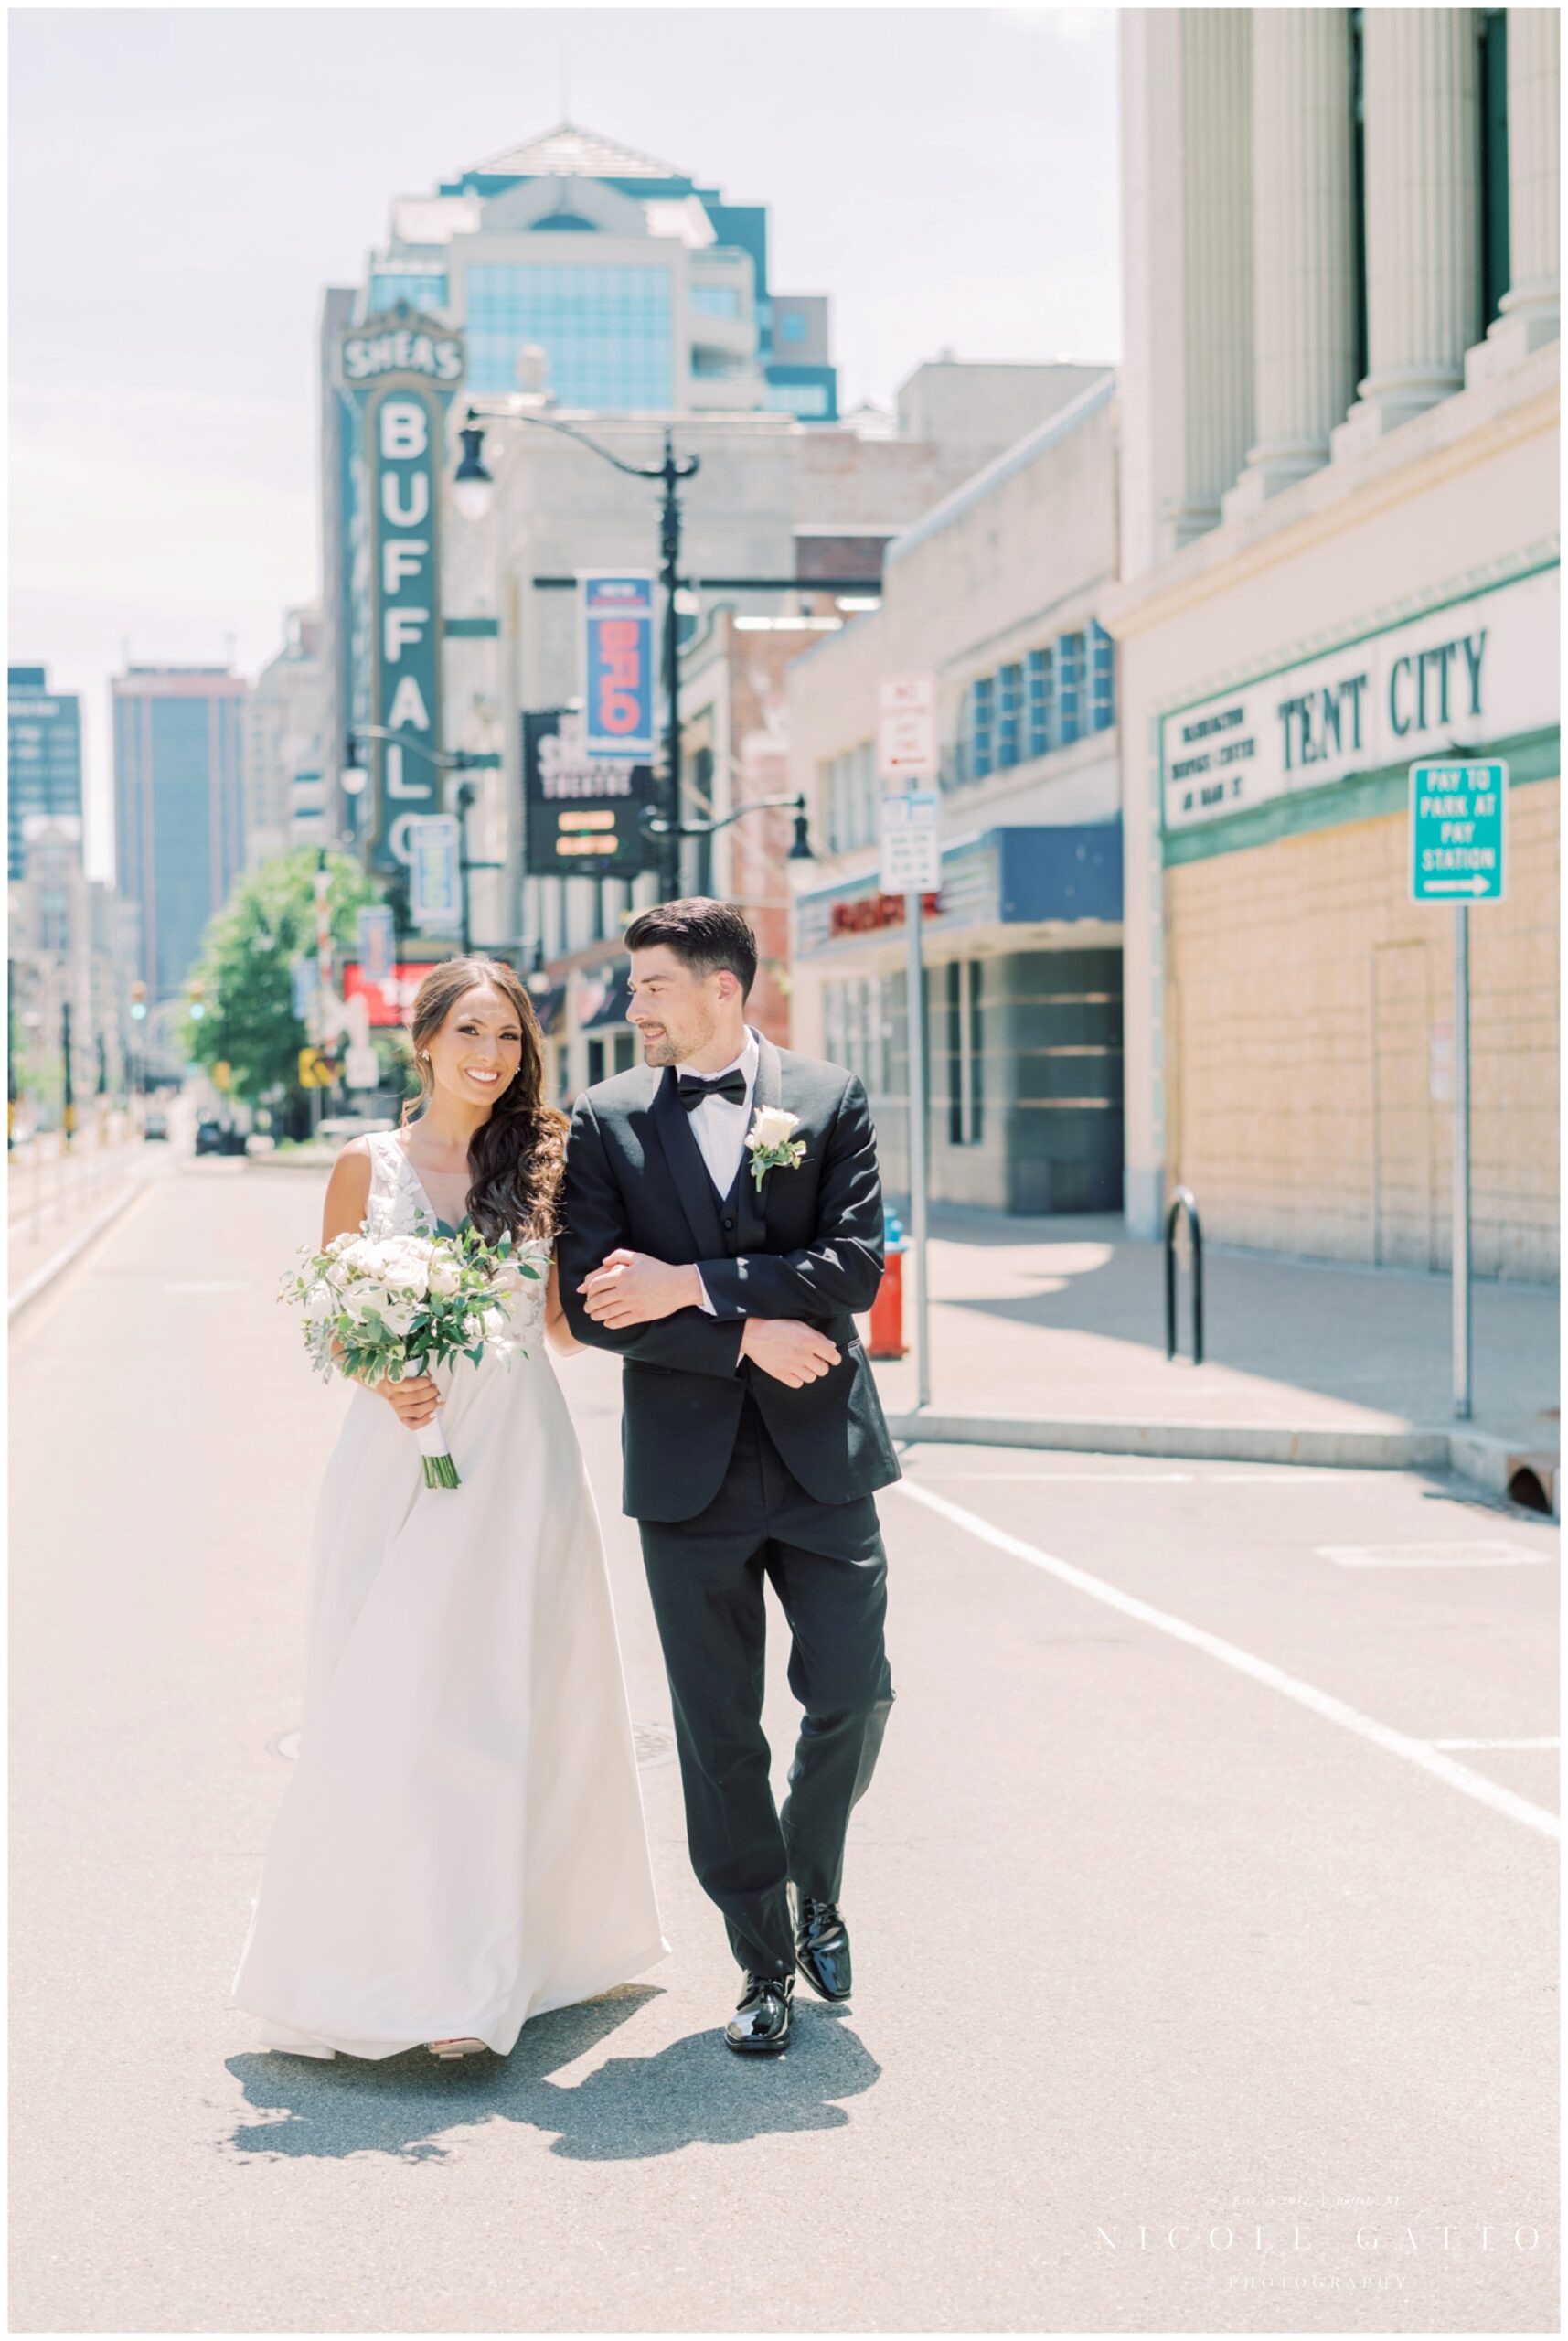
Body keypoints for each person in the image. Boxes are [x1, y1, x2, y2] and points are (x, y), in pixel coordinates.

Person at [230, 958, 667, 2061]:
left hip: (519, 1463)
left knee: (501, 1709)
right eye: (472, 1030)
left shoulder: (548, 1162)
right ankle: (390, 1964)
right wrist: (383, 1372)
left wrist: (675, 1305)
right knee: (393, 1705)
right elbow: (332, 1320)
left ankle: (481, 1979)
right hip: (400, 1458)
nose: (492, 1055)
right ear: (422, 1040)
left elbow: (564, 1326)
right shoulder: (360, 1166)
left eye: (511, 1037)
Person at [557, 899, 900, 2057]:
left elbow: (853, 1267)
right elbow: (597, 1303)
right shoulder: (601, 1121)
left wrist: (697, 1285)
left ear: (720, 988)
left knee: (853, 1690)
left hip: (822, 1456)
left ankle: (813, 1886)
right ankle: (759, 1961)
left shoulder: (827, 1096)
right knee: (718, 1733)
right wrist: (744, 1328)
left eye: (650, 984)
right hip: (684, 1473)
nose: (631, 1004)